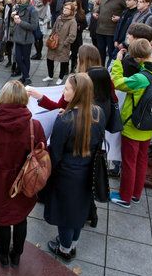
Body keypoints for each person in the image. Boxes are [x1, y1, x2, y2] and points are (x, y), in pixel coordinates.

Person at [0, 81, 46, 267]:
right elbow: (42, 154)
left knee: (2, 221)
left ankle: (2, 255)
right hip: (26, 181)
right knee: (20, 217)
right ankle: (16, 255)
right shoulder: (35, 125)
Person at [44, 73, 106, 262]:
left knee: (65, 215)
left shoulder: (65, 121)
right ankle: (73, 244)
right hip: (88, 172)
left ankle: (64, 249)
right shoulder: (98, 113)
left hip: (66, 175)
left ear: (77, 93)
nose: (64, 91)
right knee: (79, 211)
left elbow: (55, 154)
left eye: (67, 89)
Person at [110, 38, 152, 208]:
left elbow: (117, 82)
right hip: (151, 124)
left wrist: (117, 62)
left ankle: (125, 197)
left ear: (138, 58)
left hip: (133, 124)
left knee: (129, 162)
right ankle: (136, 194)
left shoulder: (141, 78)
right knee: (142, 159)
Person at [94, 0, 127, 65]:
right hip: (100, 28)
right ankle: (100, 68)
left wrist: (120, 18)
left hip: (111, 30)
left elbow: (127, 10)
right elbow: (100, 7)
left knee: (111, 52)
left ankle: (109, 70)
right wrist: (96, 12)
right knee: (100, 51)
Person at [43, 2, 77, 85]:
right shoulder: (59, 17)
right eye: (64, 8)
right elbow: (54, 28)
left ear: (71, 11)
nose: (64, 10)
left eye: (67, 8)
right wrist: (52, 37)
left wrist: (65, 43)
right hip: (54, 42)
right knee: (49, 58)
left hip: (63, 45)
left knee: (63, 61)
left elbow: (72, 35)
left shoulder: (72, 21)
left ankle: (61, 77)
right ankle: (50, 75)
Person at [12, 0, 39, 86]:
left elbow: (34, 26)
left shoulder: (33, 10)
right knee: (18, 58)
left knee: (25, 59)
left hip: (27, 38)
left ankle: (25, 77)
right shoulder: (19, 7)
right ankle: (26, 77)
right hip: (18, 37)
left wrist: (20, 22)